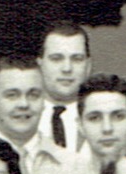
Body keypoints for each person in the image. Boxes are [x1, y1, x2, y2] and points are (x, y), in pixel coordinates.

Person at [38, 21, 93, 149]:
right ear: (40, 65)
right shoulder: (23, 119)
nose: (67, 68)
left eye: (77, 59)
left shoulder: (103, 121)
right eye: (56, 59)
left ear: (89, 66)